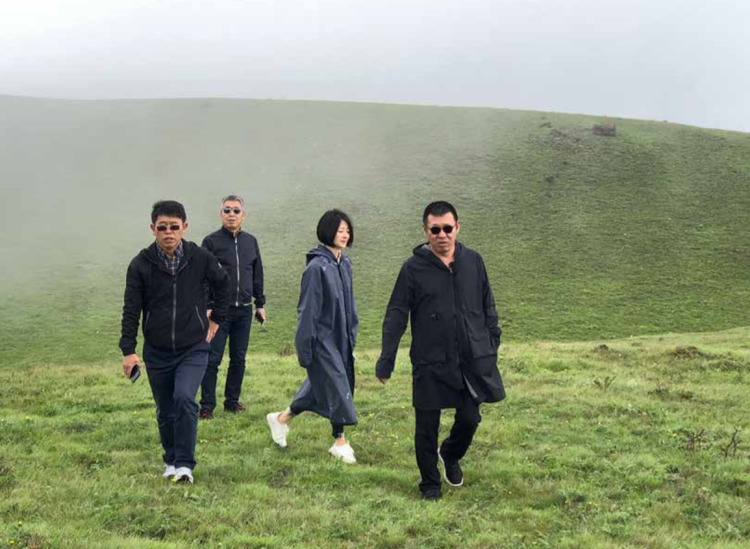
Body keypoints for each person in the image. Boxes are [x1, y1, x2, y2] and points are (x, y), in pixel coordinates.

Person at [375, 201, 505, 500]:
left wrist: (492, 340)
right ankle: (430, 485)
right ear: (426, 231)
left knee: (470, 418)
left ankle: (450, 453)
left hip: (470, 357)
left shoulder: (473, 261)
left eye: (447, 228)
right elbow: (396, 314)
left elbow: (487, 302)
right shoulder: (412, 269)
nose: (442, 235)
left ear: (457, 227)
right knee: (426, 427)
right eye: (435, 230)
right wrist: (386, 359)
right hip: (430, 359)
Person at [120, 200, 230, 483]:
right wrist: (128, 350)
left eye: (174, 227)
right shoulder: (140, 264)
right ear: (152, 229)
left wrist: (217, 318)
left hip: (193, 346)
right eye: (162, 227)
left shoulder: (200, 257)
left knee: (184, 398)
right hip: (156, 350)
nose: (168, 232)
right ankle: (170, 460)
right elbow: (131, 309)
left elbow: (224, 283)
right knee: (165, 409)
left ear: (184, 227)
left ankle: (184, 465)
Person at [266, 209, 359, 463]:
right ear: (327, 232)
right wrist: (305, 347)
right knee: (339, 385)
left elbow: (350, 303)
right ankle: (339, 441)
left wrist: (352, 332)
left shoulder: (345, 264)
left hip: (341, 338)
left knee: (318, 386)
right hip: (322, 340)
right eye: (339, 230)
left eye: (347, 230)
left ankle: (281, 419)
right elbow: (307, 311)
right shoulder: (316, 268)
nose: (344, 235)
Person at [198, 195, 266, 419]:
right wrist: (208, 306)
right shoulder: (210, 242)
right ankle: (207, 407)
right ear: (221, 214)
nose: (231, 215)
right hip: (219, 312)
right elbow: (203, 277)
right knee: (212, 359)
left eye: (236, 211)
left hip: (244, 310)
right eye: (227, 210)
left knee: (238, 359)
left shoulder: (251, 241)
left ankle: (232, 402)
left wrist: (260, 304)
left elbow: (256, 273)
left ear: (243, 215)